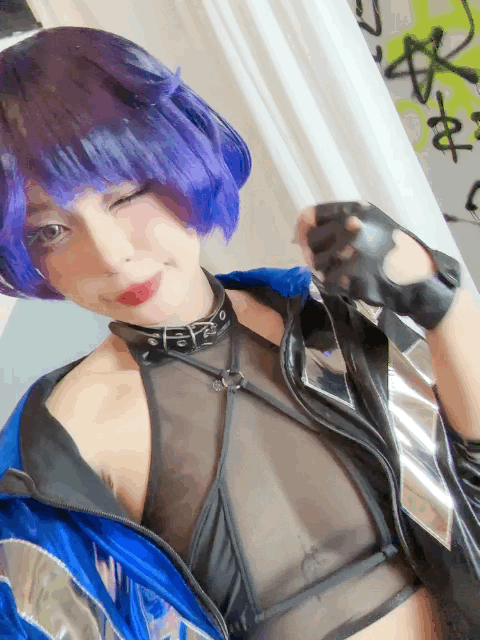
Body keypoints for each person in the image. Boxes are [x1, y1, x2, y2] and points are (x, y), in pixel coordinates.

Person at [0, 25, 479, 640]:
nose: (112, 255)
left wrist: (441, 300)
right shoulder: (56, 452)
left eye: (125, 196)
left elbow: (465, 481)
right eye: (50, 231)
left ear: (180, 160)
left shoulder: (319, 316)